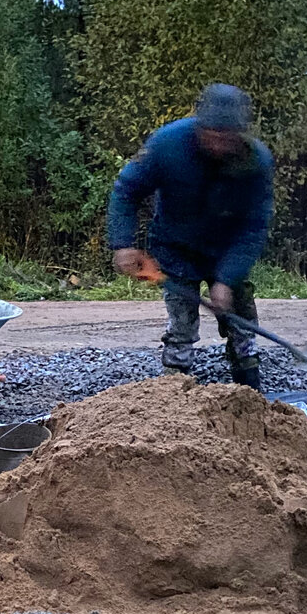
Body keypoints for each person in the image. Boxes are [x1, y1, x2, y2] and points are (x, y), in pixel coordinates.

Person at [107, 83, 274, 389]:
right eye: (213, 134)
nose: (220, 143)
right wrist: (123, 244)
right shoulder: (167, 145)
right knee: (181, 325)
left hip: (227, 251)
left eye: (229, 137)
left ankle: (248, 382)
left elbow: (254, 227)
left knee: (241, 321)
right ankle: (174, 386)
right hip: (175, 248)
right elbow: (126, 191)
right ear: (200, 126)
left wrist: (226, 278)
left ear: (241, 134)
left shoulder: (257, 163)